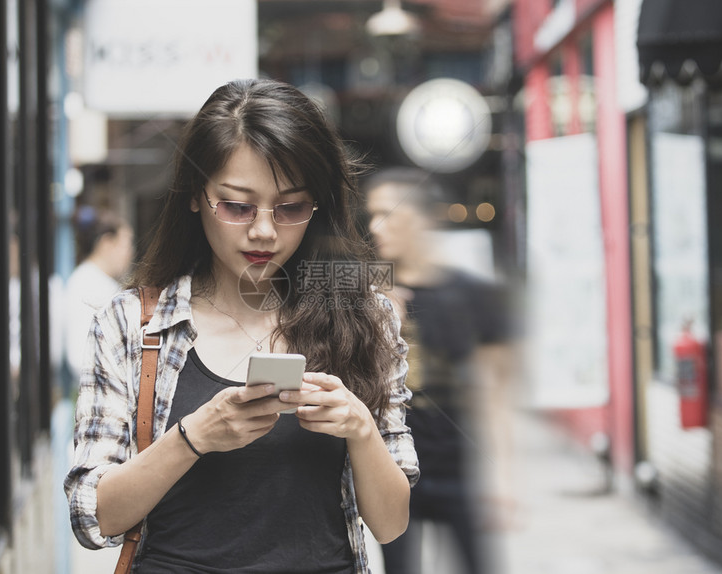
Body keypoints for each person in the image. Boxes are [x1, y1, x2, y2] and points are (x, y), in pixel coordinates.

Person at [64, 79, 419, 573]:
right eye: (237, 206)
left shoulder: (366, 319)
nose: (264, 231)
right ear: (195, 195)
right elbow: (93, 517)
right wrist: (192, 437)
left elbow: (390, 523)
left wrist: (360, 428)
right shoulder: (132, 325)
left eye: (291, 207)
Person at [364, 167, 514, 574]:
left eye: (386, 215)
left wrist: (500, 477)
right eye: (371, 216)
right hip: (392, 467)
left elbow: (493, 393)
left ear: (420, 219)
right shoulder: (367, 296)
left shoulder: (472, 294)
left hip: (455, 467)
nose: (375, 227)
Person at [64, 206, 135, 384]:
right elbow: (80, 356)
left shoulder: (96, 282)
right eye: (126, 244)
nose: (130, 253)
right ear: (107, 243)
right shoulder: (86, 283)